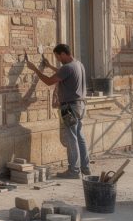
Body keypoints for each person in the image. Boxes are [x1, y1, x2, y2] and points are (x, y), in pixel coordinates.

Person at [26, 44, 90, 178]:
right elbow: (65, 74)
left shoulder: (67, 68)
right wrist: (49, 67)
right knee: (79, 136)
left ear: (63, 54)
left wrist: (35, 70)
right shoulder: (78, 64)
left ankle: (74, 171)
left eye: (58, 57)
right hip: (81, 106)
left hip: (69, 108)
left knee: (71, 138)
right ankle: (85, 167)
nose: (58, 59)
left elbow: (49, 81)